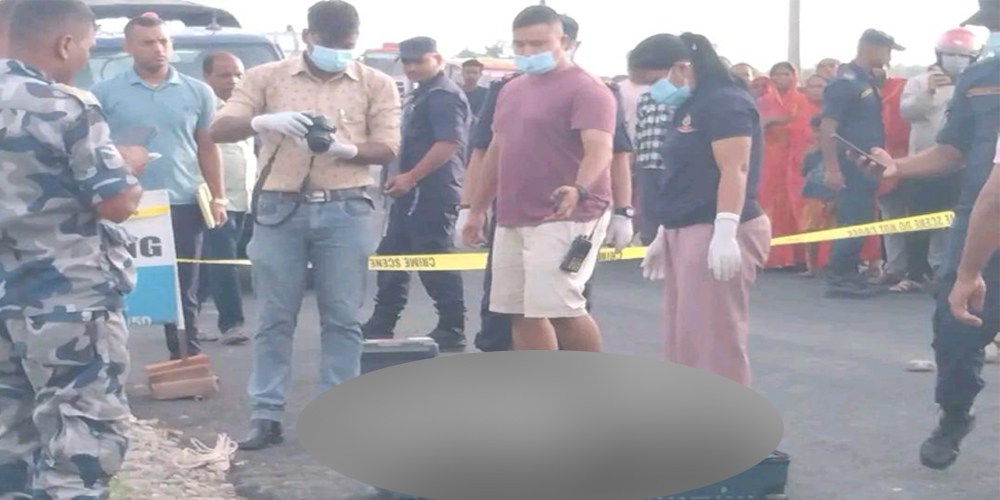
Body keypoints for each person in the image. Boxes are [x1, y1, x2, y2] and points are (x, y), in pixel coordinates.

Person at [210, 0, 401, 451]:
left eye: (347, 44)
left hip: (346, 207)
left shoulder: (375, 82)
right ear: (307, 37)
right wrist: (263, 121)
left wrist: (344, 149)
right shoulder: (267, 77)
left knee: (343, 318)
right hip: (280, 207)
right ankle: (266, 415)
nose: (338, 51)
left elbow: (388, 147)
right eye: (329, 42)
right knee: (274, 318)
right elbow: (219, 128)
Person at [0, 1, 148, 498]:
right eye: (87, 45)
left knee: (10, 443)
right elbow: (117, 203)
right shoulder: (66, 106)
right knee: (82, 440)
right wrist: (129, 166)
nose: (85, 56)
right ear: (65, 44)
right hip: (67, 301)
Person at [855, 0, 999, 470]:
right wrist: (899, 166)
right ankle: (955, 415)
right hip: (977, 223)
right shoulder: (979, 79)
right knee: (957, 329)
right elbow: (952, 151)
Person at [459, 12, 634, 353]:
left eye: (537, 44)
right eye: (520, 44)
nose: (527, 52)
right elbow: (497, 150)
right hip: (513, 215)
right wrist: (476, 210)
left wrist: (580, 189)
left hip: (566, 216)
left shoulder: (589, 89)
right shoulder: (511, 90)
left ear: (564, 42)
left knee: (562, 309)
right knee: (519, 310)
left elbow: (601, 149)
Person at [91, 13, 226, 360]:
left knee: (184, 289)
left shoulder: (198, 92)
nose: (159, 49)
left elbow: (207, 147)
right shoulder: (104, 93)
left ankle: (186, 359)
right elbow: (93, 148)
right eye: (148, 42)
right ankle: (111, 362)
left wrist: (219, 197)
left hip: (182, 202)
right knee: (117, 285)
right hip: (125, 206)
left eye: (164, 41)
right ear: (128, 47)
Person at [639, 32, 770, 388]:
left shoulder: (726, 102)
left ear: (682, 67)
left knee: (715, 339)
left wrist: (726, 230)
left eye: (654, 80)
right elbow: (685, 172)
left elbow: (735, 169)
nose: (652, 91)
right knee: (685, 337)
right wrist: (666, 229)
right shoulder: (690, 104)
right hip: (686, 226)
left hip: (717, 226)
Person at [362, 37, 470, 350]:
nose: (411, 68)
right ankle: (383, 321)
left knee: (433, 259)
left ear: (437, 59)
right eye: (406, 62)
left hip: (432, 191)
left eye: (418, 61)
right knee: (392, 256)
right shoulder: (422, 93)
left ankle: (452, 326)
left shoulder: (443, 95)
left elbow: (448, 143)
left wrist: (411, 177)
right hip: (409, 191)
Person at [819, 29, 903, 297]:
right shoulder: (845, 83)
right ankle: (840, 276)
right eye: (887, 51)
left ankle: (849, 272)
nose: (889, 58)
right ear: (872, 48)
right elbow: (828, 127)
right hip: (850, 162)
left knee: (861, 217)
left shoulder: (864, 81)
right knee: (853, 218)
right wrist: (832, 168)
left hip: (866, 163)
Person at [899, 28, 980, 286]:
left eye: (962, 55)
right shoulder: (919, 82)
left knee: (954, 223)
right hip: (922, 164)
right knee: (917, 221)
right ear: (939, 54)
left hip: (960, 165)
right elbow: (907, 112)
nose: (956, 59)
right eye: (950, 54)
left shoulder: (976, 84)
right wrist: (929, 93)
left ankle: (946, 272)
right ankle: (914, 273)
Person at [197, 52, 254, 346]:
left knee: (209, 264)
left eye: (238, 74)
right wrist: (214, 196)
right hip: (216, 199)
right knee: (224, 261)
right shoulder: (204, 109)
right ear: (207, 77)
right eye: (224, 75)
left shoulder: (247, 109)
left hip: (243, 198)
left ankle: (189, 320)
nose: (233, 81)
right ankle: (232, 324)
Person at [628, 34, 692, 244]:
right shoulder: (646, 98)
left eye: (656, 80)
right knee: (649, 210)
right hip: (648, 164)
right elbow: (640, 130)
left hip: (675, 166)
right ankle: (649, 244)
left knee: (674, 212)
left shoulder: (691, 98)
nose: (654, 85)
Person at [757, 62, 811, 269]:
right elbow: (756, 126)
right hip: (770, 156)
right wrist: (770, 121)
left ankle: (799, 255)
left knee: (795, 202)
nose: (782, 78)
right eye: (777, 74)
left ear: (794, 76)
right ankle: (774, 256)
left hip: (795, 155)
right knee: (771, 200)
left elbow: (807, 126)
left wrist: (788, 123)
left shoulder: (802, 100)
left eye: (786, 74)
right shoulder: (764, 101)